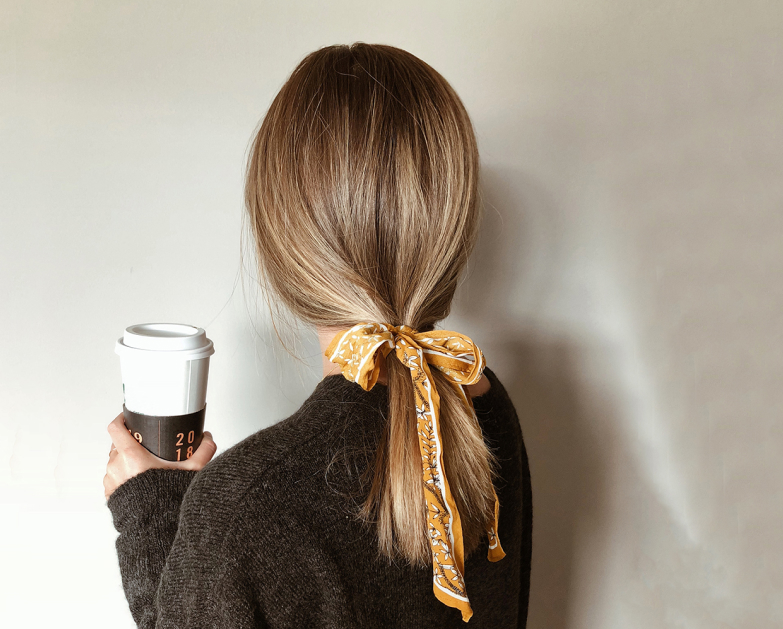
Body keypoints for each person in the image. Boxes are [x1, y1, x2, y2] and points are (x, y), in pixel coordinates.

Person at [103, 42, 532, 628]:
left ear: (279, 246)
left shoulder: (247, 506)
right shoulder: (485, 404)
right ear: (454, 224)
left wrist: (154, 514)